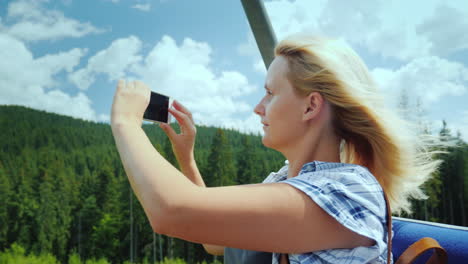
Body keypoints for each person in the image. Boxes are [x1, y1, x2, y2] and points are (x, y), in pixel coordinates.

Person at [110, 34, 440, 264]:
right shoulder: (284, 183)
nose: (258, 107)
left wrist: (126, 122)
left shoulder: (347, 191)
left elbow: (173, 212)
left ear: (311, 106)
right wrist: (187, 158)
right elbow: (213, 241)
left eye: (270, 93)